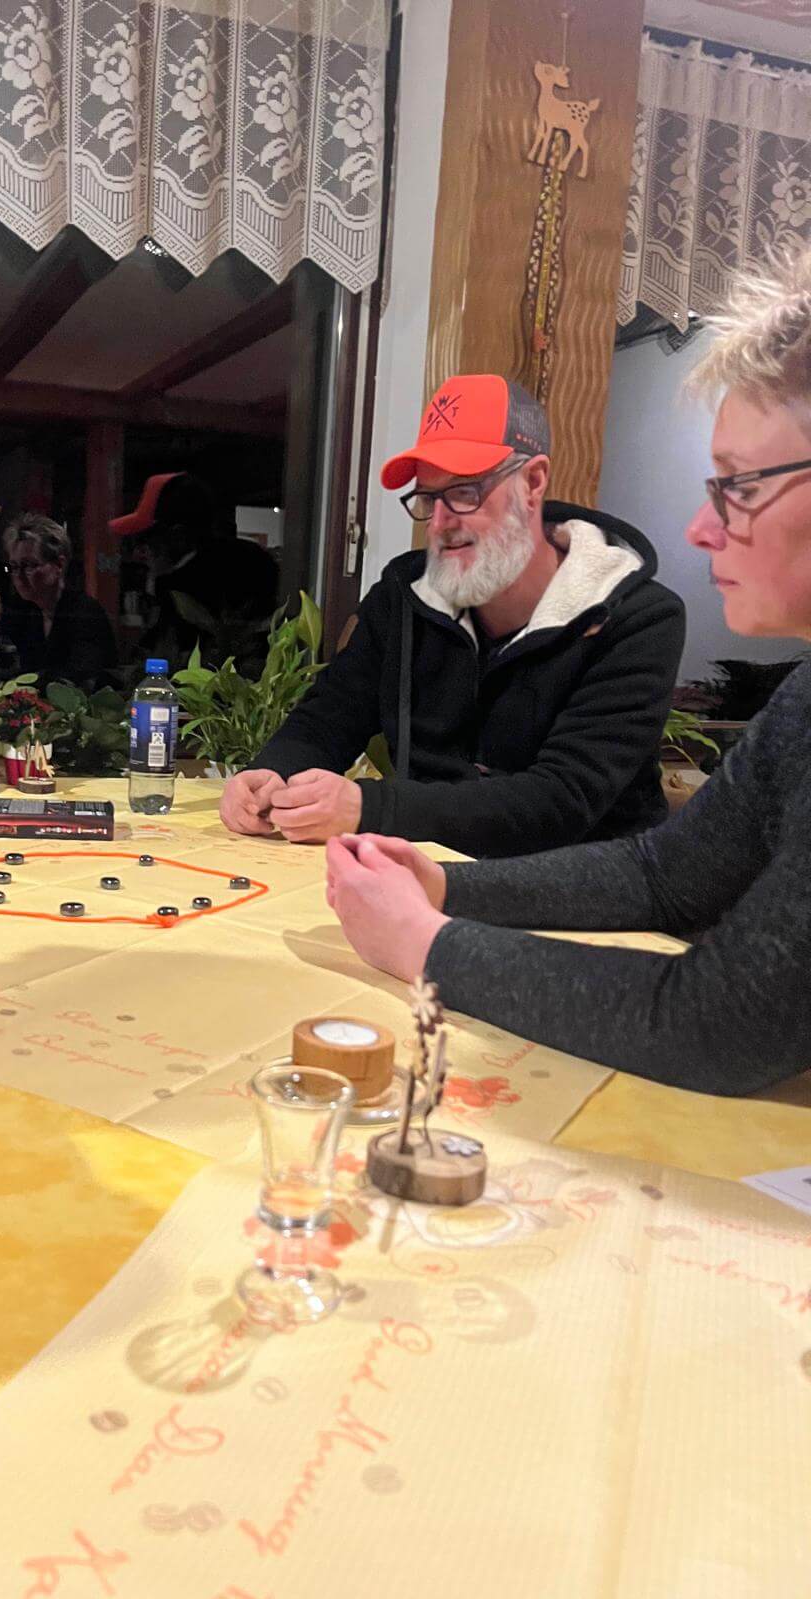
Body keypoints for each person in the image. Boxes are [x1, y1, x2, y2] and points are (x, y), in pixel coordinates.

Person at [327, 251, 811, 1095]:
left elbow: (726, 1025)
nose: (699, 530)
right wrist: (444, 884)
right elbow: (661, 873)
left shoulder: (638, 614)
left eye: (738, 486)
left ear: (533, 484)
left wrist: (426, 943)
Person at [221, 376, 686, 856]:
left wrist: (369, 808)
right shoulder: (403, 596)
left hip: (582, 885)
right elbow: (328, 718)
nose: (441, 523)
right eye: (428, 498)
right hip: (426, 872)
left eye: (465, 492)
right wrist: (271, 773)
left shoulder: (639, 618)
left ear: (533, 482)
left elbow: (563, 801)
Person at [110, 472, 280, 666]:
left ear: (178, 536)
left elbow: (165, 652)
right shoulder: (252, 557)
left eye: (145, 539)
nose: (140, 552)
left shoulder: (184, 585)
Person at [0, 512, 117, 686]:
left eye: (29, 565)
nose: (19, 576)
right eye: (14, 567)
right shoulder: (23, 610)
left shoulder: (84, 612)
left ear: (59, 565)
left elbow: (80, 678)